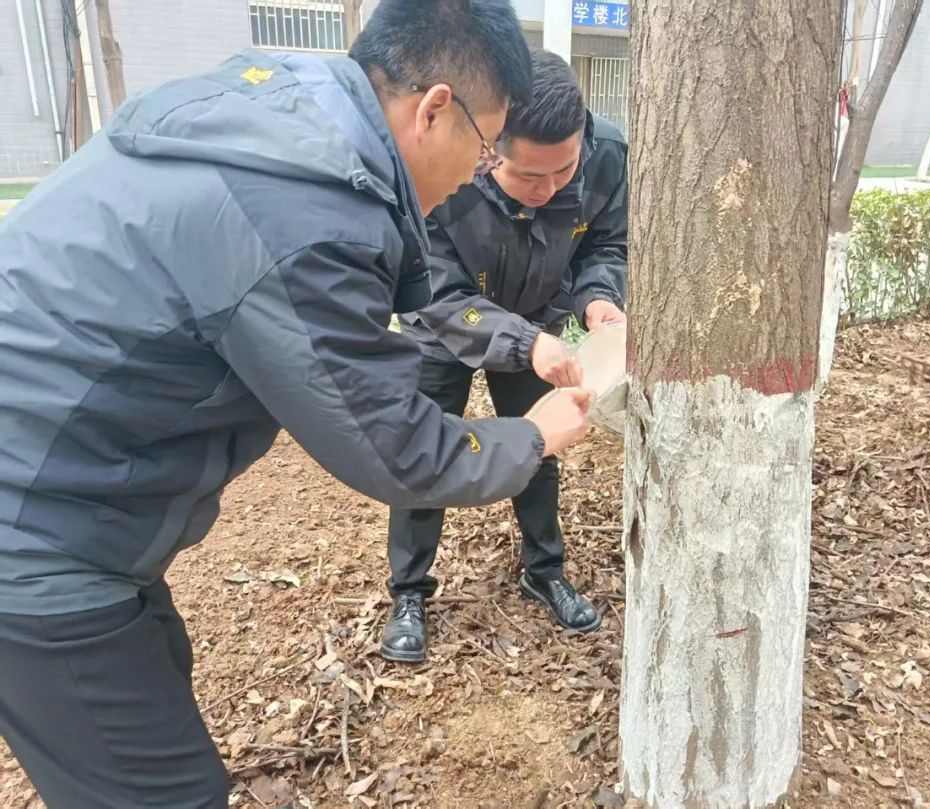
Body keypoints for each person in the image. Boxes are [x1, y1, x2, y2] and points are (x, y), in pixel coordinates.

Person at [0, 2, 595, 806]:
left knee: (154, 689)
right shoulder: (306, 214)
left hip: (70, 487)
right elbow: (395, 449)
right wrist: (532, 434)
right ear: (434, 110)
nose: (477, 175)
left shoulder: (280, 107)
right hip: (34, 533)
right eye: (486, 150)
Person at [381, 51, 628, 663]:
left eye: (562, 172)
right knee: (422, 457)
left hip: (539, 323)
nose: (548, 193)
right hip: (443, 329)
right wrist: (524, 342)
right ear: (488, 147)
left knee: (540, 446)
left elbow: (607, 243)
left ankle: (543, 570)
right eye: (529, 177)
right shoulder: (440, 166)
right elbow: (432, 288)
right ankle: (409, 592)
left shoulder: (607, 157)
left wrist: (599, 300)